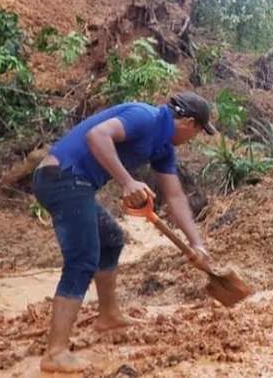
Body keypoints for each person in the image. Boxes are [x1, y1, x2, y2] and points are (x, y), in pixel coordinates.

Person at [31, 92, 216, 373]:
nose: (196, 137)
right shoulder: (145, 116)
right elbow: (97, 135)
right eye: (200, 132)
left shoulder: (163, 148)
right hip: (61, 177)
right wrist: (128, 182)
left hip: (75, 183)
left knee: (111, 240)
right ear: (189, 122)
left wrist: (197, 244)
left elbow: (175, 196)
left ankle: (108, 316)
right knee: (82, 261)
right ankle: (55, 352)